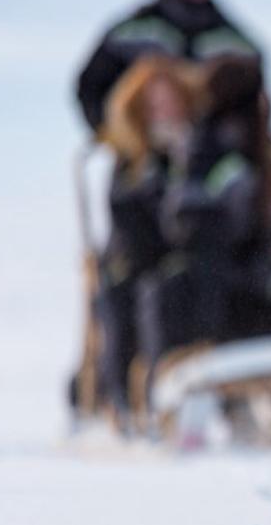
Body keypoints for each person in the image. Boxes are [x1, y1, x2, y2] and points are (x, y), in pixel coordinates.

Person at [136, 59, 271, 391]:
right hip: (220, 287)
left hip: (251, 283)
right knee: (172, 292)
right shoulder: (202, 153)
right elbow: (190, 227)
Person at [88, 55, 207, 423]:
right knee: (129, 298)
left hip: (192, 266)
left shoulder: (202, 154)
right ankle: (128, 404)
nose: (164, 111)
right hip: (136, 265)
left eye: (170, 101)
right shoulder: (131, 164)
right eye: (154, 104)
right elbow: (128, 224)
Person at [75, 0, 261, 134]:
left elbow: (256, 98)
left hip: (207, 147)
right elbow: (90, 84)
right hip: (145, 147)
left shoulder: (234, 42)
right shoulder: (134, 31)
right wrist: (111, 132)